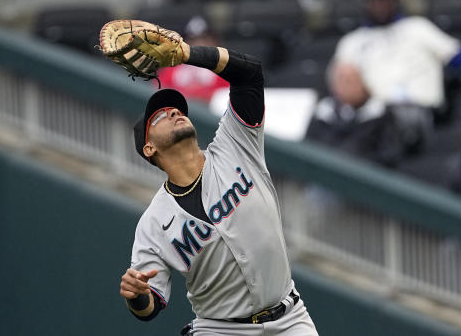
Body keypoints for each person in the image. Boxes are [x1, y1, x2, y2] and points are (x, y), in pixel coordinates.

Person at [120, 41, 318, 335]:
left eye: (177, 108)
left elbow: (249, 72)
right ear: (149, 148)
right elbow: (151, 307)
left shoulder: (235, 144)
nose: (175, 112)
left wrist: (188, 54)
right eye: (161, 116)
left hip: (291, 319)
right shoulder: (153, 223)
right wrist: (137, 296)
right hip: (221, 329)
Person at [330, 0, 461, 152]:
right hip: (370, 114)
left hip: (416, 112)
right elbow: (340, 84)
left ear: (395, 0)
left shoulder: (417, 28)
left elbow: (458, 56)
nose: (380, 4)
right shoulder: (352, 41)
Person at [306, 62, 402, 168]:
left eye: (351, 80)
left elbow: (389, 156)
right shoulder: (323, 113)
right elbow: (308, 150)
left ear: (364, 83)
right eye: (341, 80)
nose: (346, 85)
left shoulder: (381, 116)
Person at [156, 15, 229, 103]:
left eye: (205, 39)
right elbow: (157, 91)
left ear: (215, 41)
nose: (199, 44)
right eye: (192, 40)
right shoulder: (173, 69)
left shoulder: (224, 70)